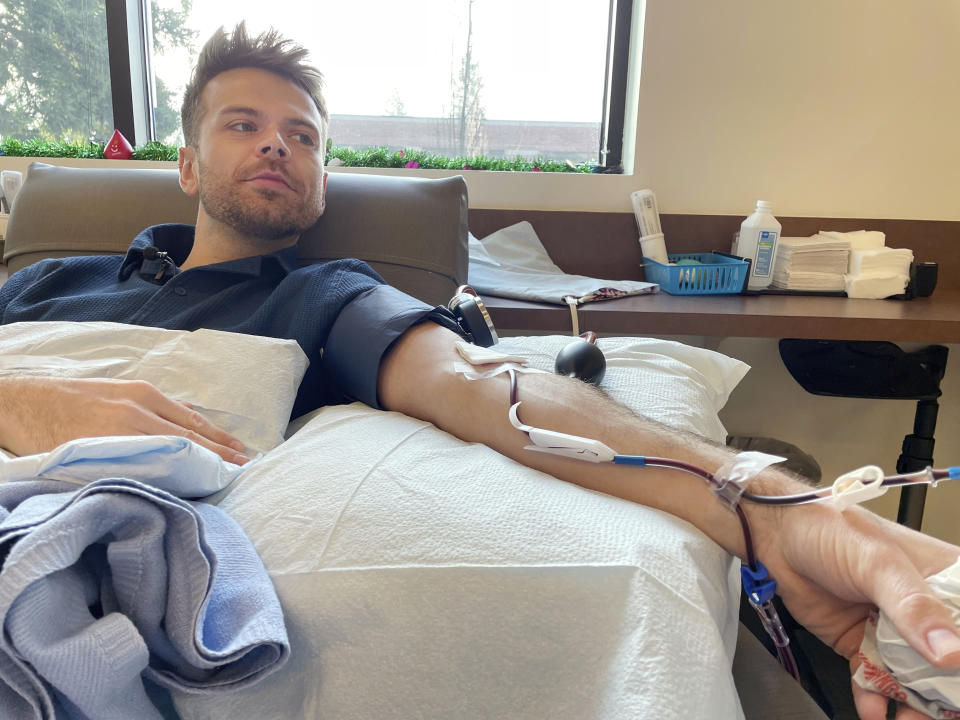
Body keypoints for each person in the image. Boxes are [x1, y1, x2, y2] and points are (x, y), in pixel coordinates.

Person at [0, 23, 957, 720]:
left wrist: (767, 505)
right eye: (243, 125)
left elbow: (481, 385)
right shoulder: (42, 283)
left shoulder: (322, 296)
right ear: (187, 164)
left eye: (302, 136)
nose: (276, 147)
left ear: (324, 179)